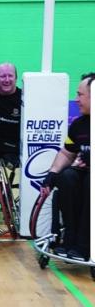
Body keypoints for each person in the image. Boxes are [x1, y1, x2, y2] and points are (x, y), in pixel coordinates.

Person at [39, 72, 93, 261]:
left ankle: (85, 245)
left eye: (80, 95)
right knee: (66, 177)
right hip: (82, 175)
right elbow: (67, 153)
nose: (76, 99)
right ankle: (68, 239)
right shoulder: (78, 125)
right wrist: (52, 173)